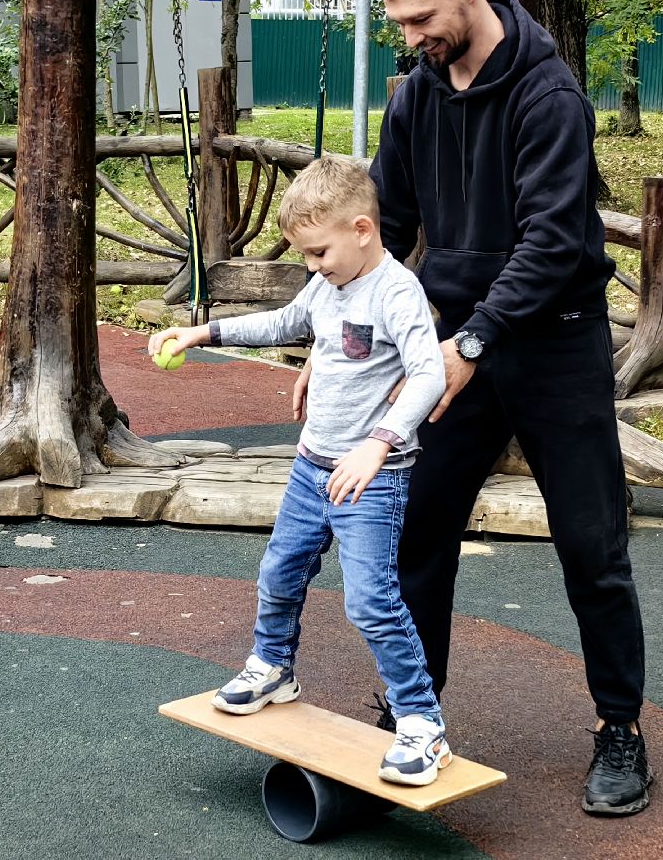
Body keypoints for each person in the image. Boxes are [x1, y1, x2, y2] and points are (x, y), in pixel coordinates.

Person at [362, 0, 653, 815]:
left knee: (591, 548)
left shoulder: (548, 93)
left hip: (553, 341)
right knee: (420, 536)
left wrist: (474, 343)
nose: (411, 41)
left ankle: (620, 732)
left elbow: (555, 240)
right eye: (400, 26)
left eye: (422, 20)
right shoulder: (416, 93)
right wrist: (350, 337)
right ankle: (414, 715)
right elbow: (386, 227)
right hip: (452, 341)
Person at [149, 156, 451, 786]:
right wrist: (204, 332)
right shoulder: (328, 284)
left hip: (372, 475)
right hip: (312, 467)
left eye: (319, 252)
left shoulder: (396, 292)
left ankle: (421, 723)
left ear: (362, 229)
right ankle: (272, 667)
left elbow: (427, 374)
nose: (312, 266)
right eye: (306, 256)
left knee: (370, 603)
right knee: (279, 571)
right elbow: (287, 322)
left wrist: (378, 444)